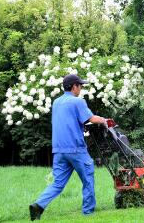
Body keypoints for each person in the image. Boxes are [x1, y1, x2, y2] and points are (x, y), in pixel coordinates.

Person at [29, 74, 107, 221]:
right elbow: (91, 119)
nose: (81, 88)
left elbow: (67, 121)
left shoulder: (57, 102)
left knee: (58, 183)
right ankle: (88, 212)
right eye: (80, 85)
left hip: (59, 150)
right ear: (74, 86)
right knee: (88, 177)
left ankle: (38, 206)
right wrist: (105, 121)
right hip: (75, 148)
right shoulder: (77, 102)